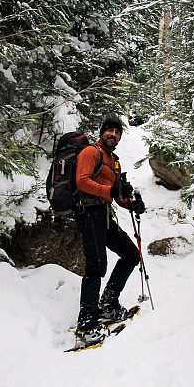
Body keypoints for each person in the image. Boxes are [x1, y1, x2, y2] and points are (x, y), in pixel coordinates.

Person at [73, 114, 145, 343]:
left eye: (117, 132)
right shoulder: (91, 152)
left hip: (103, 213)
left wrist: (131, 204)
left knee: (132, 254)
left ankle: (108, 303)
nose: (113, 134)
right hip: (88, 211)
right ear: (102, 132)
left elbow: (115, 195)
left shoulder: (114, 162)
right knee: (96, 265)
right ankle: (86, 324)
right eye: (109, 131)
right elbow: (81, 181)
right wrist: (110, 192)